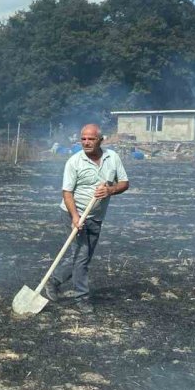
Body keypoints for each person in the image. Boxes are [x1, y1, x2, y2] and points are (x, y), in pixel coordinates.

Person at [45, 124, 129, 313]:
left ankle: (54, 281)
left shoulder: (112, 157)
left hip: (96, 216)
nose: (86, 142)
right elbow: (66, 193)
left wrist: (110, 190)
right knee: (81, 257)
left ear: (101, 140)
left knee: (82, 257)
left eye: (90, 139)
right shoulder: (74, 162)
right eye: (83, 139)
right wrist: (75, 217)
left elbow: (124, 183)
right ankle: (81, 298)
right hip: (72, 214)